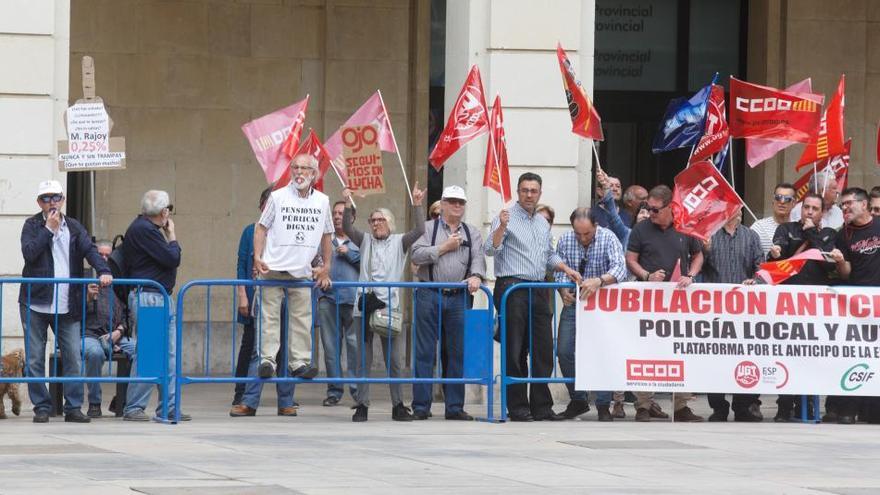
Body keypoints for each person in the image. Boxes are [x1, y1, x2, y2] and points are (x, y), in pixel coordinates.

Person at [485, 172, 581, 422]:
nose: (529, 194)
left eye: (533, 191)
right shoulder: (505, 217)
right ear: (518, 192)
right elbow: (489, 249)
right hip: (513, 287)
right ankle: (517, 407)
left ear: (540, 193)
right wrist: (502, 227)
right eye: (525, 190)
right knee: (515, 349)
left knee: (543, 349)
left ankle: (541, 406)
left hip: (538, 288)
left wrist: (566, 268)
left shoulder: (540, 221)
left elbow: (548, 255)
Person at [19, 180, 112, 423]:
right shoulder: (31, 225)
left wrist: (103, 269)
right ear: (39, 202)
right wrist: (48, 229)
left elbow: (90, 250)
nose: (52, 202)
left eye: (56, 197)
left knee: (72, 356)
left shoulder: (74, 226)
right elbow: (29, 253)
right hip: (36, 302)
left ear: (63, 200)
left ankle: (73, 407)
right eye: (46, 198)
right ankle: (42, 406)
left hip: (67, 304)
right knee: (35, 358)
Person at [344, 182, 426, 422]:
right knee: (363, 360)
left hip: (389, 308)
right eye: (372, 220)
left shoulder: (400, 241)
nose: (376, 223)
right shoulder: (365, 240)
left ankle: (398, 405)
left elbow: (420, 230)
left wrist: (417, 204)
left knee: (394, 361)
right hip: (364, 306)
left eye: (380, 220)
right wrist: (348, 203)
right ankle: (362, 404)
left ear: (390, 222)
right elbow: (348, 227)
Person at [625, 184, 704, 422]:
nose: (651, 213)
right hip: (649, 301)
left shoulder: (685, 226)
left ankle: (681, 406)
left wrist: (690, 275)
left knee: (681, 350)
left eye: (655, 210)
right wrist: (647, 276)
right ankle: (643, 405)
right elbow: (631, 259)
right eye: (648, 208)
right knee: (645, 350)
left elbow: (699, 254)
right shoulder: (641, 229)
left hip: (679, 302)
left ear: (670, 208)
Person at [410, 186, 485, 421]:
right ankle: (421, 406)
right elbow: (415, 255)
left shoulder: (472, 233)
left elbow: (478, 260)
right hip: (429, 293)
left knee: (455, 353)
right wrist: (444, 248)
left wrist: (476, 276)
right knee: (424, 353)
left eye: (461, 202)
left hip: (458, 296)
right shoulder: (427, 229)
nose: (457, 206)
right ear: (442, 204)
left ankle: (454, 406)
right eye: (452, 201)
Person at [229, 187, 299, 417]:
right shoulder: (252, 231)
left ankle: (286, 401)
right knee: (259, 349)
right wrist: (242, 294)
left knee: (287, 350)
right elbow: (242, 265)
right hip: (262, 295)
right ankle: (248, 400)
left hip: (288, 295)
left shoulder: (292, 230)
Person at [768, 192, 837, 422]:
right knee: (787, 355)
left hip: (815, 304)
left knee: (811, 355)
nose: (809, 211)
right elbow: (778, 256)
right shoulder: (786, 228)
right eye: (806, 207)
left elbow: (824, 261)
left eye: (814, 209)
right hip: (788, 302)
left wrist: (809, 231)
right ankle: (784, 405)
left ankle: (805, 404)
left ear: (821, 212)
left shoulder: (828, 234)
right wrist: (775, 252)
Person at [554, 207, 627, 421]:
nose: (582, 238)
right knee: (564, 350)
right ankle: (578, 399)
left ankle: (603, 404)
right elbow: (560, 271)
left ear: (596, 226)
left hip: (603, 305)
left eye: (587, 233)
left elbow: (620, 268)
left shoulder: (608, 237)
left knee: (602, 351)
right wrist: (562, 290)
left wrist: (600, 280)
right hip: (574, 303)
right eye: (578, 233)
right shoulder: (566, 240)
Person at [122, 190, 187, 422]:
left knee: (168, 355)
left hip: (158, 296)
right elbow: (172, 258)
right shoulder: (145, 230)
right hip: (150, 296)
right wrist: (173, 236)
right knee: (150, 353)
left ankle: (169, 406)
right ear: (164, 212)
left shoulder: (145, 228)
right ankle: (134, 407)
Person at [701, 209, 764, 422]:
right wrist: (705, 250)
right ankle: (718, 407)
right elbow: (697, 267)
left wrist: (755, 281)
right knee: (714, 358)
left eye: (734, 207)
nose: (730, 211)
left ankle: (743, 406)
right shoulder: (709, 235)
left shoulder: (750, 236)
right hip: (714, 308)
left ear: (740, 211)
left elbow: (761, 267)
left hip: (743, 309)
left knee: (743, 356)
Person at [828, 187, 880, 424]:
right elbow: (847, 273)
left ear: (864, 204)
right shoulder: (844, 235)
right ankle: (846, 408)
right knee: (856, 354)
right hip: (858, 305)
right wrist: (839, 262)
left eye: (849, 203)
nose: (845, 208)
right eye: (842, 205)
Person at [82, 240, 136, 419]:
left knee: (140, 350)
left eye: (108, 255)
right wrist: (87, 299)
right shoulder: (82, 280)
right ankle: (95, 403)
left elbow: (129, 316)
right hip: (88, 335)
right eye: (100, 255)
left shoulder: (119, 284)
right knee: (96, 353)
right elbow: (72, 315)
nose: (104, 259)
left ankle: (122, 400)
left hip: (116, 336)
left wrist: (119, 331)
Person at [317, 200, 361, 407]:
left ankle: (357, 391)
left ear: (351, 217)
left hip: (352, 300)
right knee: (330, 348)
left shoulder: (361, 240)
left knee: (354, 347)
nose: (336, 216)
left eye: (341, 213)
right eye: (334, 213)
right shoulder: (323, 239)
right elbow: (314, 262)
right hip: (328, 298)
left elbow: (368, 264)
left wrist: (350, 254)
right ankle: (334, 390)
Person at [751, 183, 797, 257]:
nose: (782, 202)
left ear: (794, 203)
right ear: (773, 200)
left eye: (787, 199)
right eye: (778, 197)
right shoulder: (758, 227)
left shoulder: (798, 228)